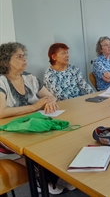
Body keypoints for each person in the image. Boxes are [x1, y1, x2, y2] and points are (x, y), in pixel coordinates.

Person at [0, 42, 75, 194]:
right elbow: (1, 112)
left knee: (62, 135)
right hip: (9, 132)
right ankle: (45, 179)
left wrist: (50, 102)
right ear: (6, 60)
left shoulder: (30, 78)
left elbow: (50, 96)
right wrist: (35, 107)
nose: (24, 59)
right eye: (19, 56)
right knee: (42, 144)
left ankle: (59, 175)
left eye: (24, 55)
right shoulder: (1, 81)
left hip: (35, 125)